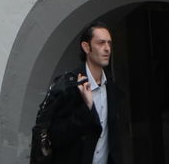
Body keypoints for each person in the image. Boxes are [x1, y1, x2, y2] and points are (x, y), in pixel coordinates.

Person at [49, 23, 124, 164]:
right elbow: (56, 137)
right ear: (86, 47)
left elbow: (114, 140)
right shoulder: (69, 86)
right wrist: (86, 109)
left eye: (109, 43)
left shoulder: (112, 88)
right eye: (101, 43)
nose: (107, 48)